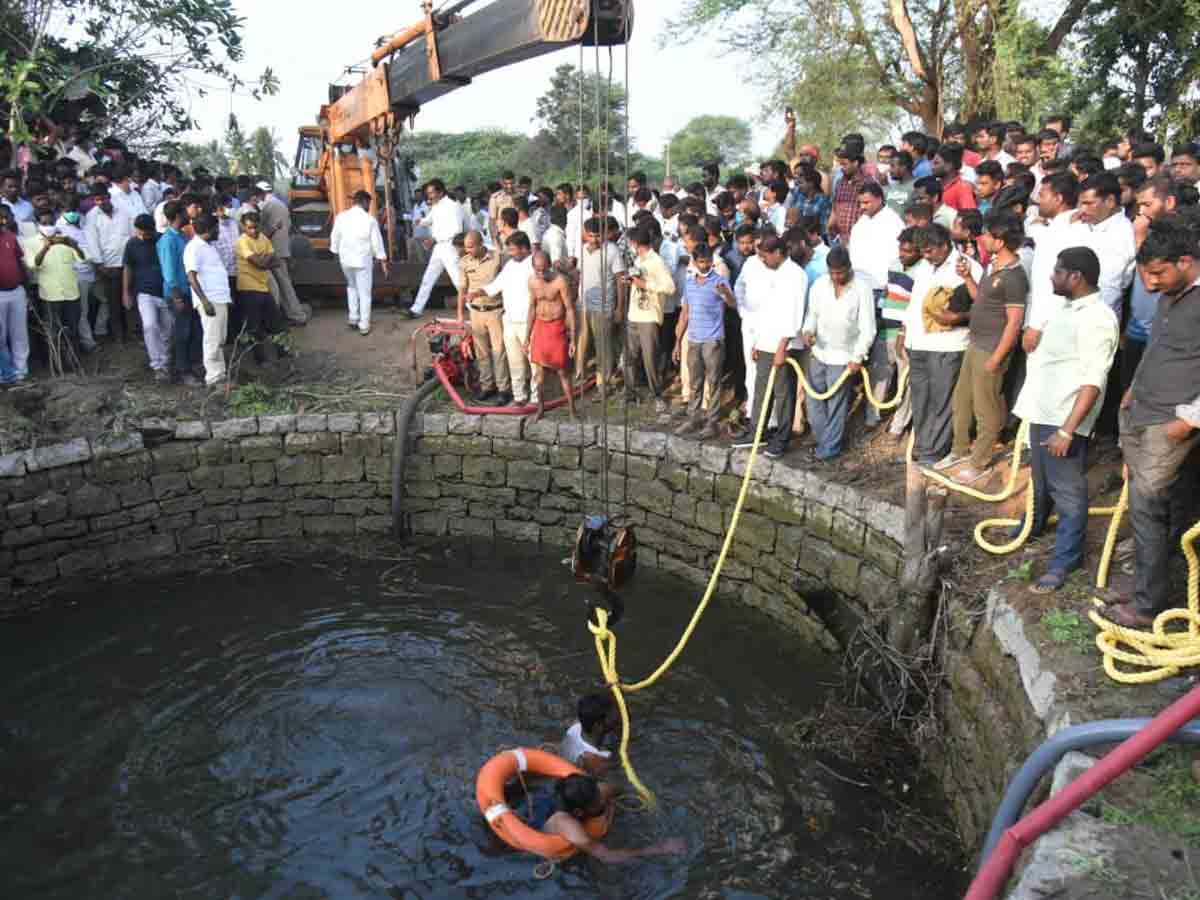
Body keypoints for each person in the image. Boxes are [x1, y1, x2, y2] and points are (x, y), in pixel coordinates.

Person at [1104, 218, 1200, 628]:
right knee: (1156, 509)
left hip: (1171, 423)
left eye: (1159, 273)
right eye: (1146, 274)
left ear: (1186, 261)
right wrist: (1132, 391)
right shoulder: (1169, 296)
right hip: (1142, 413)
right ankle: (1148, 582)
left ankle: (1147, 604)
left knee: (1146, 509)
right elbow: (1159, 348)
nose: (1151, 283)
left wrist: (1190, 419)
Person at [1012, 247, 1119, 593]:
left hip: (1062, 418)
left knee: (1069, 492)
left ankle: (1065, 561)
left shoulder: (1098, 319)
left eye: (1057, 272)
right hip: (1044, 411)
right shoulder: (1066, 309)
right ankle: (1034, 524)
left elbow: (1093, 381)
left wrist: (1067, 430)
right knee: (1041, 480)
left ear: (1076, 277)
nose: (1051, 277)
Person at [946, 212, 1029, 483]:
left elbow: (1014, 323)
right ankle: (959, 450)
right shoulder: (994, 266)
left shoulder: (1015, 276)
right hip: (975, 343)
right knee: (962, 400)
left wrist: (997, 357)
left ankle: (979, 461)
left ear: (1001, 241)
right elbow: (980, 297)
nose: (982, 239)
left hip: (990, 348)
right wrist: (969, 277)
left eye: (988, 235)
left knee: (986, 407)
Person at [902, 224, 983, 467]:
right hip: (918, 344)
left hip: (948, 345)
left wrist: (957, 318)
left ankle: (934, 452)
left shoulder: (967, 266)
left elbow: (980, 304)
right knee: (920, 399)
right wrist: (904, 336)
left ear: (944, 246)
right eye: (923, 251)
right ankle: (923, 447)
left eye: (929, 251)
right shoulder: (924, 268)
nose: (925, 256)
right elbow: (914, 304)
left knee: (942, 401)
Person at [732, 235, 809, 456]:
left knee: (783, 392)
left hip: (784, 344)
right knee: (761, 387)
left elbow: (794, 314)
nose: (763, 261)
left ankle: (782, 438)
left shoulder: (796, 275)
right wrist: (757, 341)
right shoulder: (771, 273)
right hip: (765, 340)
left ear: (777, 253)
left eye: (765, 257)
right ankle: (757, 431)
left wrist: (782, 346)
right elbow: (766, 309)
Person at [801, 247, 876, 460]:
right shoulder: (819, 286)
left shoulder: (862, 289)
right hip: (819, 352)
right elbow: (811, 316)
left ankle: (829, 449)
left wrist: (857, 357)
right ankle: (823, 441)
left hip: (844, 356)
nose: (836, 277)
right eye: (833, 273)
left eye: (840, 273)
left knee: (836, 403)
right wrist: (808, 332)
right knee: (814, 399)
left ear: (848, 268)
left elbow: (867, 327)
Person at [527, 774, 684, 863]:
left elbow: (619, 789)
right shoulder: (567, 825)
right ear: (579, 812)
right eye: (596, 802)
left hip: (550, 799)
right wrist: (661, 849)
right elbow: (607, 855)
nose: (602, 800)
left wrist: (645, 801)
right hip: (538, 830)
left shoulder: (596, 792)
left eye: (598, 794)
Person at [674, 242, 736, 439]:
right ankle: (694, 418)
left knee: (714, 381)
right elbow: (685, 313)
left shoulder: (719, 281)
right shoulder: (690, 283)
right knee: (695, 381)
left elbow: (734, 304)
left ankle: (712, 421)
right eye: (701, 261)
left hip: (713, 340)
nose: (705, 265)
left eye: (708, 261)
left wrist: (725, 293)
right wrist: (677, 342)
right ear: (694, 261)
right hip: (693, 339)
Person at [624, 223, 674, 414]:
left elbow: (669, 287)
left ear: (636, 243)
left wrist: (645, 284)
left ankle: (657, 394)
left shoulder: (657, 261)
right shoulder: (638, 260)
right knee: (630, 356)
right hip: (633, 314)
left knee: (649, 358)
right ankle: (630, 392)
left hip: (649, 317)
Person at [481, 231, 536, 406]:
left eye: (513, 250)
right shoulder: (510, 265)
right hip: (510, 319)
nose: (510, 253)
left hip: (530, 321)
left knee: (534, 362)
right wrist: (478, 292)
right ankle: (519, 396)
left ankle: (536, 398)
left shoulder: (536, 264)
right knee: (514, 361)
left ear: (525, 248)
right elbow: (495, 286)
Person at [457, 230, 510, 404]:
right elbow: (462, 290)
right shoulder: (464, 262)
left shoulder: (497, 258)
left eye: (471, 246)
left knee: (499, 351)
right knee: (481, 352)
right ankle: (487, 386)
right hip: (475, 312)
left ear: (481, 244)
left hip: (495, 310)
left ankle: (504, 389)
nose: (468, 250)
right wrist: (460, 314)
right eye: (466, 247)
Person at [526, 250, 577, 423]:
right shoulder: (532, 281)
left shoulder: (560, 281)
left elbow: (570, 309)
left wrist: (573, 338)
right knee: (539, 374)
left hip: (557, 327)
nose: (541, 273)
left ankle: (572, 410)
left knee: (563, 372)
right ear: (533, 268)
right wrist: (527, 336)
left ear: (550, 265)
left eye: (544, 269)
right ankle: (540, 408)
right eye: (537, 270)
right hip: (540, 326)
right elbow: (532, 308)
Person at [576, 216, 627, 393]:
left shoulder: (611, 250)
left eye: (598, 235)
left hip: (604, 305)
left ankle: (602, 382)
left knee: (603, 343)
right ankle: (580, 373)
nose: (594, 239)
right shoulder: (581, 249)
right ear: (585, 235)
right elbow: (580, 274)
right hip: (584, 302)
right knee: (583, 338)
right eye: (591, 235)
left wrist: (620, 307)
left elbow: (621, 280)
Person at [329, 190, 388, 336]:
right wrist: (383, 260)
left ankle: (353, 318)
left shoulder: (341, 217)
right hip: (362, 261)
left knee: (351, 287)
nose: (369, 206)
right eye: (369, 203)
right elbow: (377, 244)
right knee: (365, 293)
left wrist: (335, 252)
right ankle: (364, 324)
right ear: (365, 202)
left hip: (346, 261)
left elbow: (335, 237)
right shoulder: (369, 220)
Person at [184, 213, 232, 387]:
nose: (219, 231)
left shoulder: (208, 246)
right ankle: (213, 378)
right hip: (210, 300)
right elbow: (191, 276)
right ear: (210, 229)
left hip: (219, 298)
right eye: (217, 228)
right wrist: (204, 301)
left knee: (220, 338)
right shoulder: (194, 247)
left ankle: (220, 375)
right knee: (212, 339)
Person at [407, 179, 466, 320]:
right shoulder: (437, 206)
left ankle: (474, 306)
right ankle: (416, 309)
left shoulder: (453, 206)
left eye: (431, 193)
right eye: (428, 193)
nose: (429, 196)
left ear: (440, 191)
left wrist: (433, 239)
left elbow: (457, 230)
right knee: (428, 278)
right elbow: (429, 220)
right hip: (439, 247)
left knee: (457, 280)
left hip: (450, 246)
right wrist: (419, 221)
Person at [122, 213, 171, 381]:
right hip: (144, 292)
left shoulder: (163, 240)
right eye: (140, 232)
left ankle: (167, 363)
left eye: (146, 233)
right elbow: (127, 268)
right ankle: (157, 365)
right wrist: (126, 292)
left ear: (153, 229)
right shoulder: (132, 244)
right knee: (150, 326)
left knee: (168, 330)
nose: (143, 236)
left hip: (165, 291)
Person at [253, 181, 308, 325]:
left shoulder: (265, 206)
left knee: (280, 286)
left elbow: (260, 230)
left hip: (271, 252)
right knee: (283, 284)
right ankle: (293, 314)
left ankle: (293, 315)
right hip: (281, 250)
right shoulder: (281, 204)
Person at [84, 181, 131, 342]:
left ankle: (131, 331)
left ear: (108, 196)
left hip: (127, 263)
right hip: (108, 266)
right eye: (97, 200)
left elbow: (130, 233)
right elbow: (92, 242)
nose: (101, 202)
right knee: (113, 302)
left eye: (103, 198)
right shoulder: (91, 217)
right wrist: (100, 265)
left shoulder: (123, 211)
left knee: (129, 298)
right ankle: (118, 335)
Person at [235, 211, 282, 365]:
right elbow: (263, 263)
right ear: (243, 227)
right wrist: (265, 260)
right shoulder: (242, 242)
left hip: (262, 285)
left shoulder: (263, 238)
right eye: (249, 228)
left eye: (255, 227)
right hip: (248, 287)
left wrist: (263, 261)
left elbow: (276, 261)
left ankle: (282, 354)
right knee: (254, 325)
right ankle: (259, 359)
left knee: (275, 321)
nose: (253, 231)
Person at [0, 205, 28, 382]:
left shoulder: (10, 236)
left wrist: (26, 287)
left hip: (17, 291)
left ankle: (20, 372)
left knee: (19, 334)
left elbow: (20, 262)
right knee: (0, 336)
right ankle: (4, 374)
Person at [561, 693, 618, 773]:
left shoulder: (575, 727)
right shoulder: (596, 758)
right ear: (597, 726)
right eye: (611, 716)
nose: (616, 717)